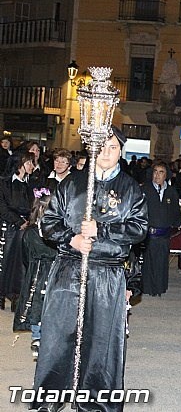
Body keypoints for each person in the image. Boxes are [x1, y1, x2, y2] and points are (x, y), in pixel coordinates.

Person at [33, 132, 148, 412]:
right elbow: (48, 222)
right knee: (58, 335)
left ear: (120, 152)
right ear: (91, 150)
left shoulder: (131, 189)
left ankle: (96, 402)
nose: (107, 153)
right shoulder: (72, 183)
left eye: (113, 147)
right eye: (102, 147)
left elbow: (139, 229)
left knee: (102, 341)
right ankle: (50, 399)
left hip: (107, 274)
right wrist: (71, 238)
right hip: (69, 267)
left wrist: (102, 230)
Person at [12, 187, 57, 358]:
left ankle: (50, 335)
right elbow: (27, 254)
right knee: (36, 303)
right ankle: (37, 335)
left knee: (52, 303)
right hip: (38, 272)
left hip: (53, 271)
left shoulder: (56, 231)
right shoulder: (31, 232)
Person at [0, 152, 36, 311]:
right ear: (19, 164)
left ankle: (15, 294)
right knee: (4, 259)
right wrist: (18, 221)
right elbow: (3, 207)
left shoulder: (30, 184)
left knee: (19, 263)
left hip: (25, 228)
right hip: (8, 226)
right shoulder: (5, 183)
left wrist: (28, 221)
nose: (32, 166)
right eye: (28, 163)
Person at [140, 161, 181, 297]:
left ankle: (160, 287)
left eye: (161, 172)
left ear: (166, 175)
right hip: (149, 234)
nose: (157, 175)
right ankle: (148, 287)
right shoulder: (144, 190)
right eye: (155, 172)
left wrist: (177, 223)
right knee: (149, 261)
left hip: (164, 234)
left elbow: (175, 211)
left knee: (162, 262)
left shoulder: (171, 191)